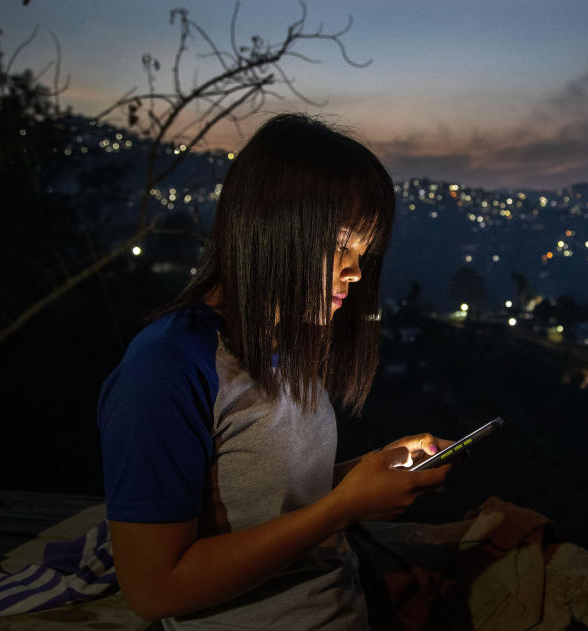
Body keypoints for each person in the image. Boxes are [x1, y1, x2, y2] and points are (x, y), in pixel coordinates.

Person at [97, 113, 451, 630]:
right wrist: (341, 509)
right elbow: (154, 588)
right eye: (339, 245)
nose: (355, 270)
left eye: (362, 252)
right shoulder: (167, 369)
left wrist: (368, 474)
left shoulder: (282, 346)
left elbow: (262, 501)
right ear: (273, 226)